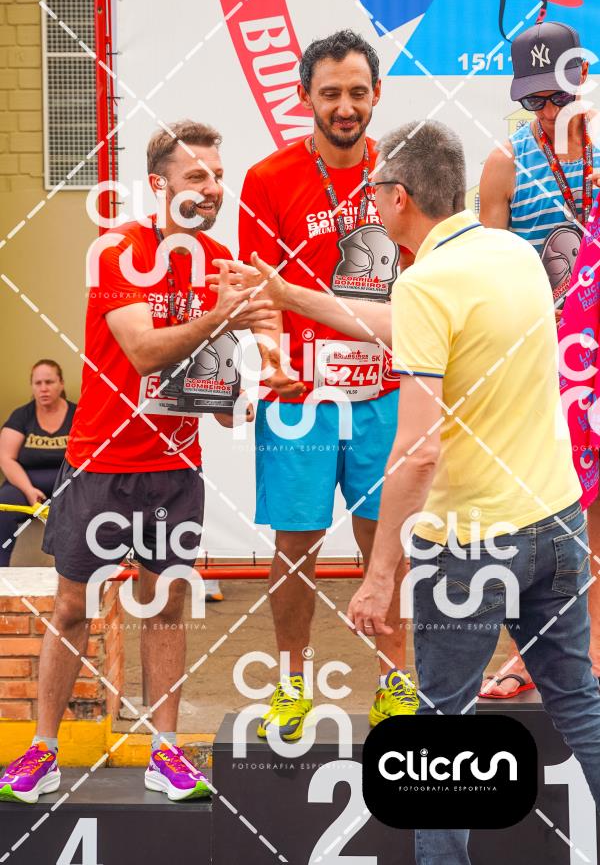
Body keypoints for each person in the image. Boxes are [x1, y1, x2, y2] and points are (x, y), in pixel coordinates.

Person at [215, 118, 600, 864]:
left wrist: (379, 575)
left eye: (373, 192)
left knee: (441, 734)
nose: (368, 203)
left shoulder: (426, 282)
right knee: (580, 700)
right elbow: (407, 324)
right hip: (557, 522)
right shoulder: (510, 253)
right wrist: (289, 292)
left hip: (473, 542)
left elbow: (419, 452)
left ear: (398, 198)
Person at [0, 120, 273, 805]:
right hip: (102, 463)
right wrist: (223, 317)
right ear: (159, 185)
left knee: (166, 605)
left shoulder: (218, 261)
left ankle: (165, 751)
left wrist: (245, 396)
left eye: (218, 176)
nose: (213, 189)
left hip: (174, 468)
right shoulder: (119, 251)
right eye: (196, 177)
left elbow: (209, 387)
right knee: (72, 606)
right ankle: (42, 752)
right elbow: (146, 352)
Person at [238, 29, 417, 742]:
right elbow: (259, 290)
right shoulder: (267, 178)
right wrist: (270, 357)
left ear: (377, 95)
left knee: (387, 545)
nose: (346, 106)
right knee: (295, 548)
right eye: (331, 93)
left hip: (383, 394)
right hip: (299, 402)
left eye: (357, 92)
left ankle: (395, 681)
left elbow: (422, 284)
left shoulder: (402, 170)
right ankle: (292, 685)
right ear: (305, 95)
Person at [479, 20, 600, 698]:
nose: (549, 111)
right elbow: (485, 275)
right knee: (533, 515)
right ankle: (528, 653)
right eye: (534, 99)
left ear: (583, 82)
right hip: (537, 368)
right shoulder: (505, 162)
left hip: (597, 361)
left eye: (559, 95)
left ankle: (592, 648)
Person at [0, 360, 76, 565]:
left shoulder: (78, 415)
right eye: (38, 383)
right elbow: (6, 457)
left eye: (49, 382)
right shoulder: (21, 416)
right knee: (3, 504)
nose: (43, 388)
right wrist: (28, 490)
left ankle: (74, 572)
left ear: (61, 383)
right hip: (24, 482)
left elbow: (89, 457)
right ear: (32, 386)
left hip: (68, 482)